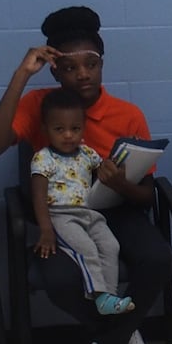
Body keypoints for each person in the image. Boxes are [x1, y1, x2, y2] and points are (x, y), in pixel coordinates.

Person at [0, 6, 171, 344]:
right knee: (60, 280)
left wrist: (120, 182)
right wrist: (22, 74)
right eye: (70, 67)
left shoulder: (127, 114)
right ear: (54, 71)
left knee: (157, 258)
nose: (82, 74)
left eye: (92, 64)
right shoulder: (40, 105)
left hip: (117, 209)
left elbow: (147, 194)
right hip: (61, 214)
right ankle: (125, 335)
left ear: (102, 65)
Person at [29, 88, 135, 317]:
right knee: (86, 249)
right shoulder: (43, 158)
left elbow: (104, 169)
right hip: (61, 216)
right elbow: (38, 196)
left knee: (111, 246)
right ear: (45, 129)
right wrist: (46, 229)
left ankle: (111, 296)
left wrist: (121, 163)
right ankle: (98, 295)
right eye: (59, 129)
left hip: (89, 213)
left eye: (75, 129)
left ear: (83, 129)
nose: (68, 135)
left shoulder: (88, 153)